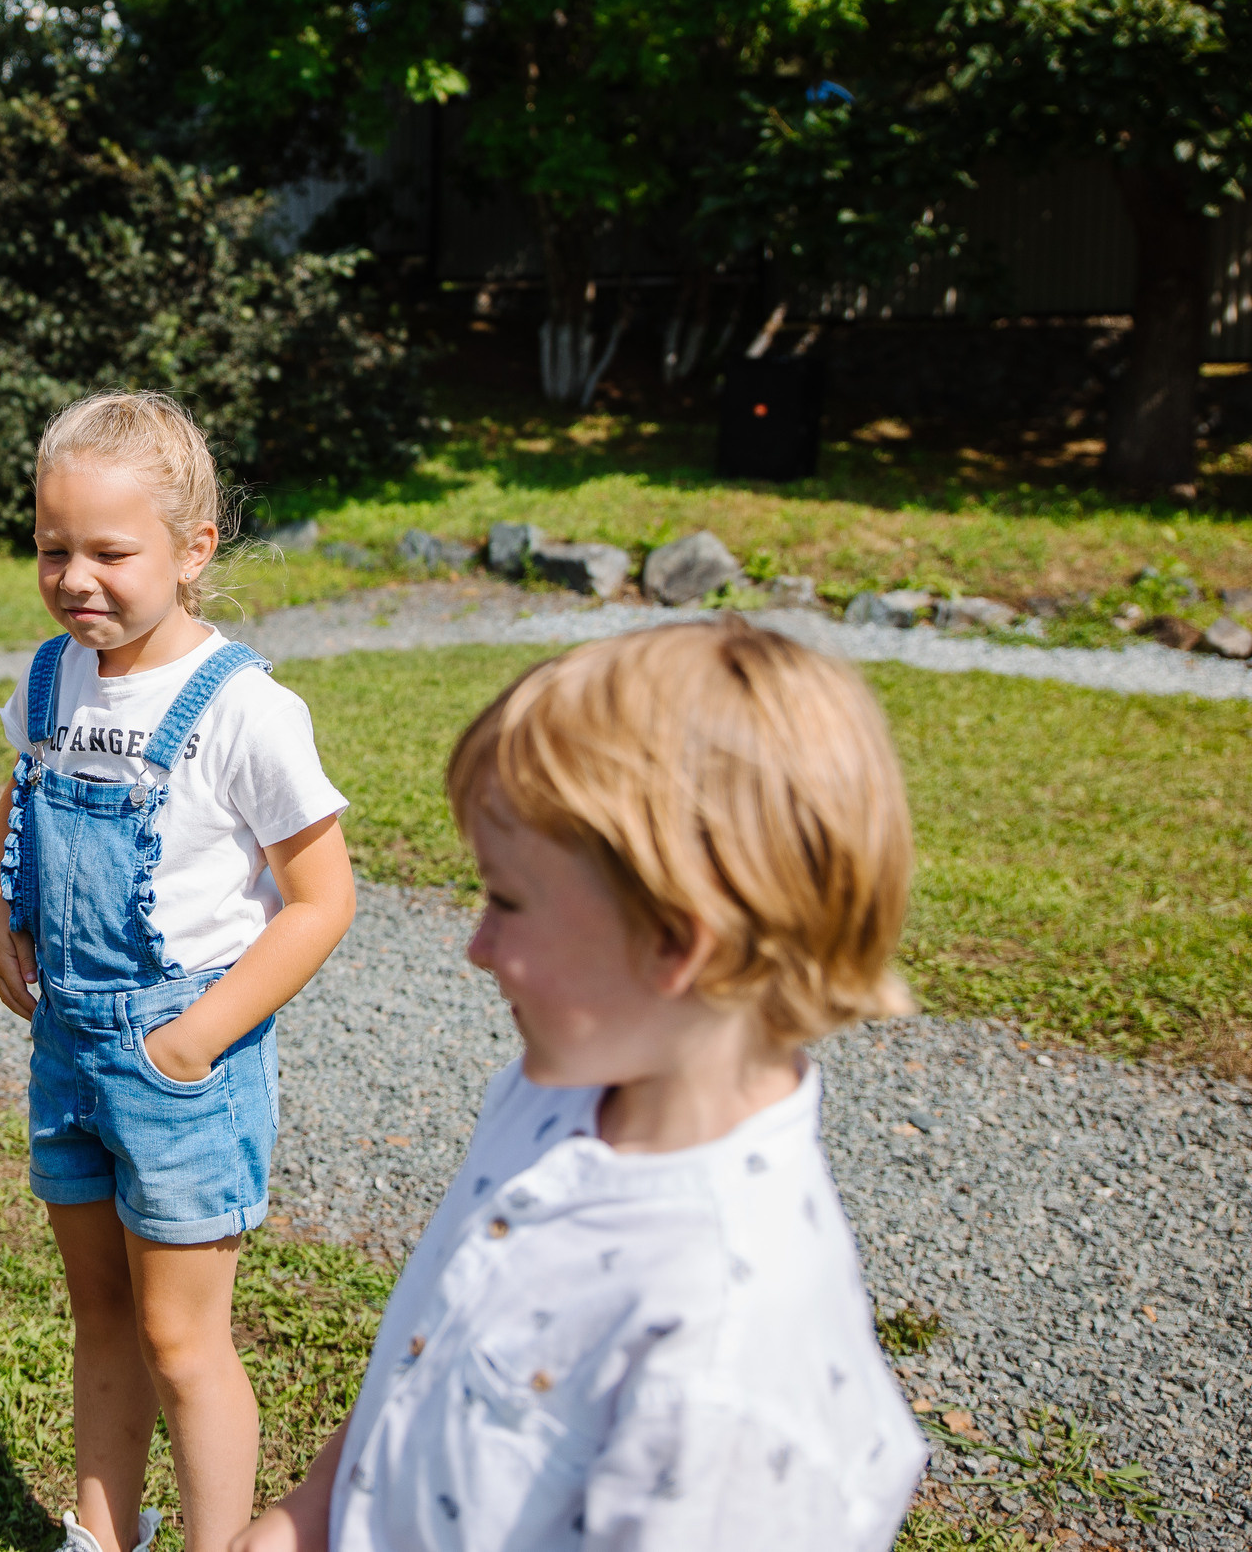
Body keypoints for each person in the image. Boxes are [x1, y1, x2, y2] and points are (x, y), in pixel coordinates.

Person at [232, 618, 929, 1552]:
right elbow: (430, 1356)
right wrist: (308, 1514)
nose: (476, 947)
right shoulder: (555, 1093)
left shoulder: (727, 1354)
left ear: (680, 942)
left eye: (508, 900)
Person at [0, 391, 357, 1552]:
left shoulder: (242, 707)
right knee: (99, 1312)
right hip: (69, 1043)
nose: (75, 579)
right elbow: (24, 789)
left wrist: (192, 1040)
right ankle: (103, 1534)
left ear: (194, 552)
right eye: (53, 549)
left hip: (179, 1059)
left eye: (109, 552)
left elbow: (321, 897)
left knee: (183, 1338)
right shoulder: (51, 679)